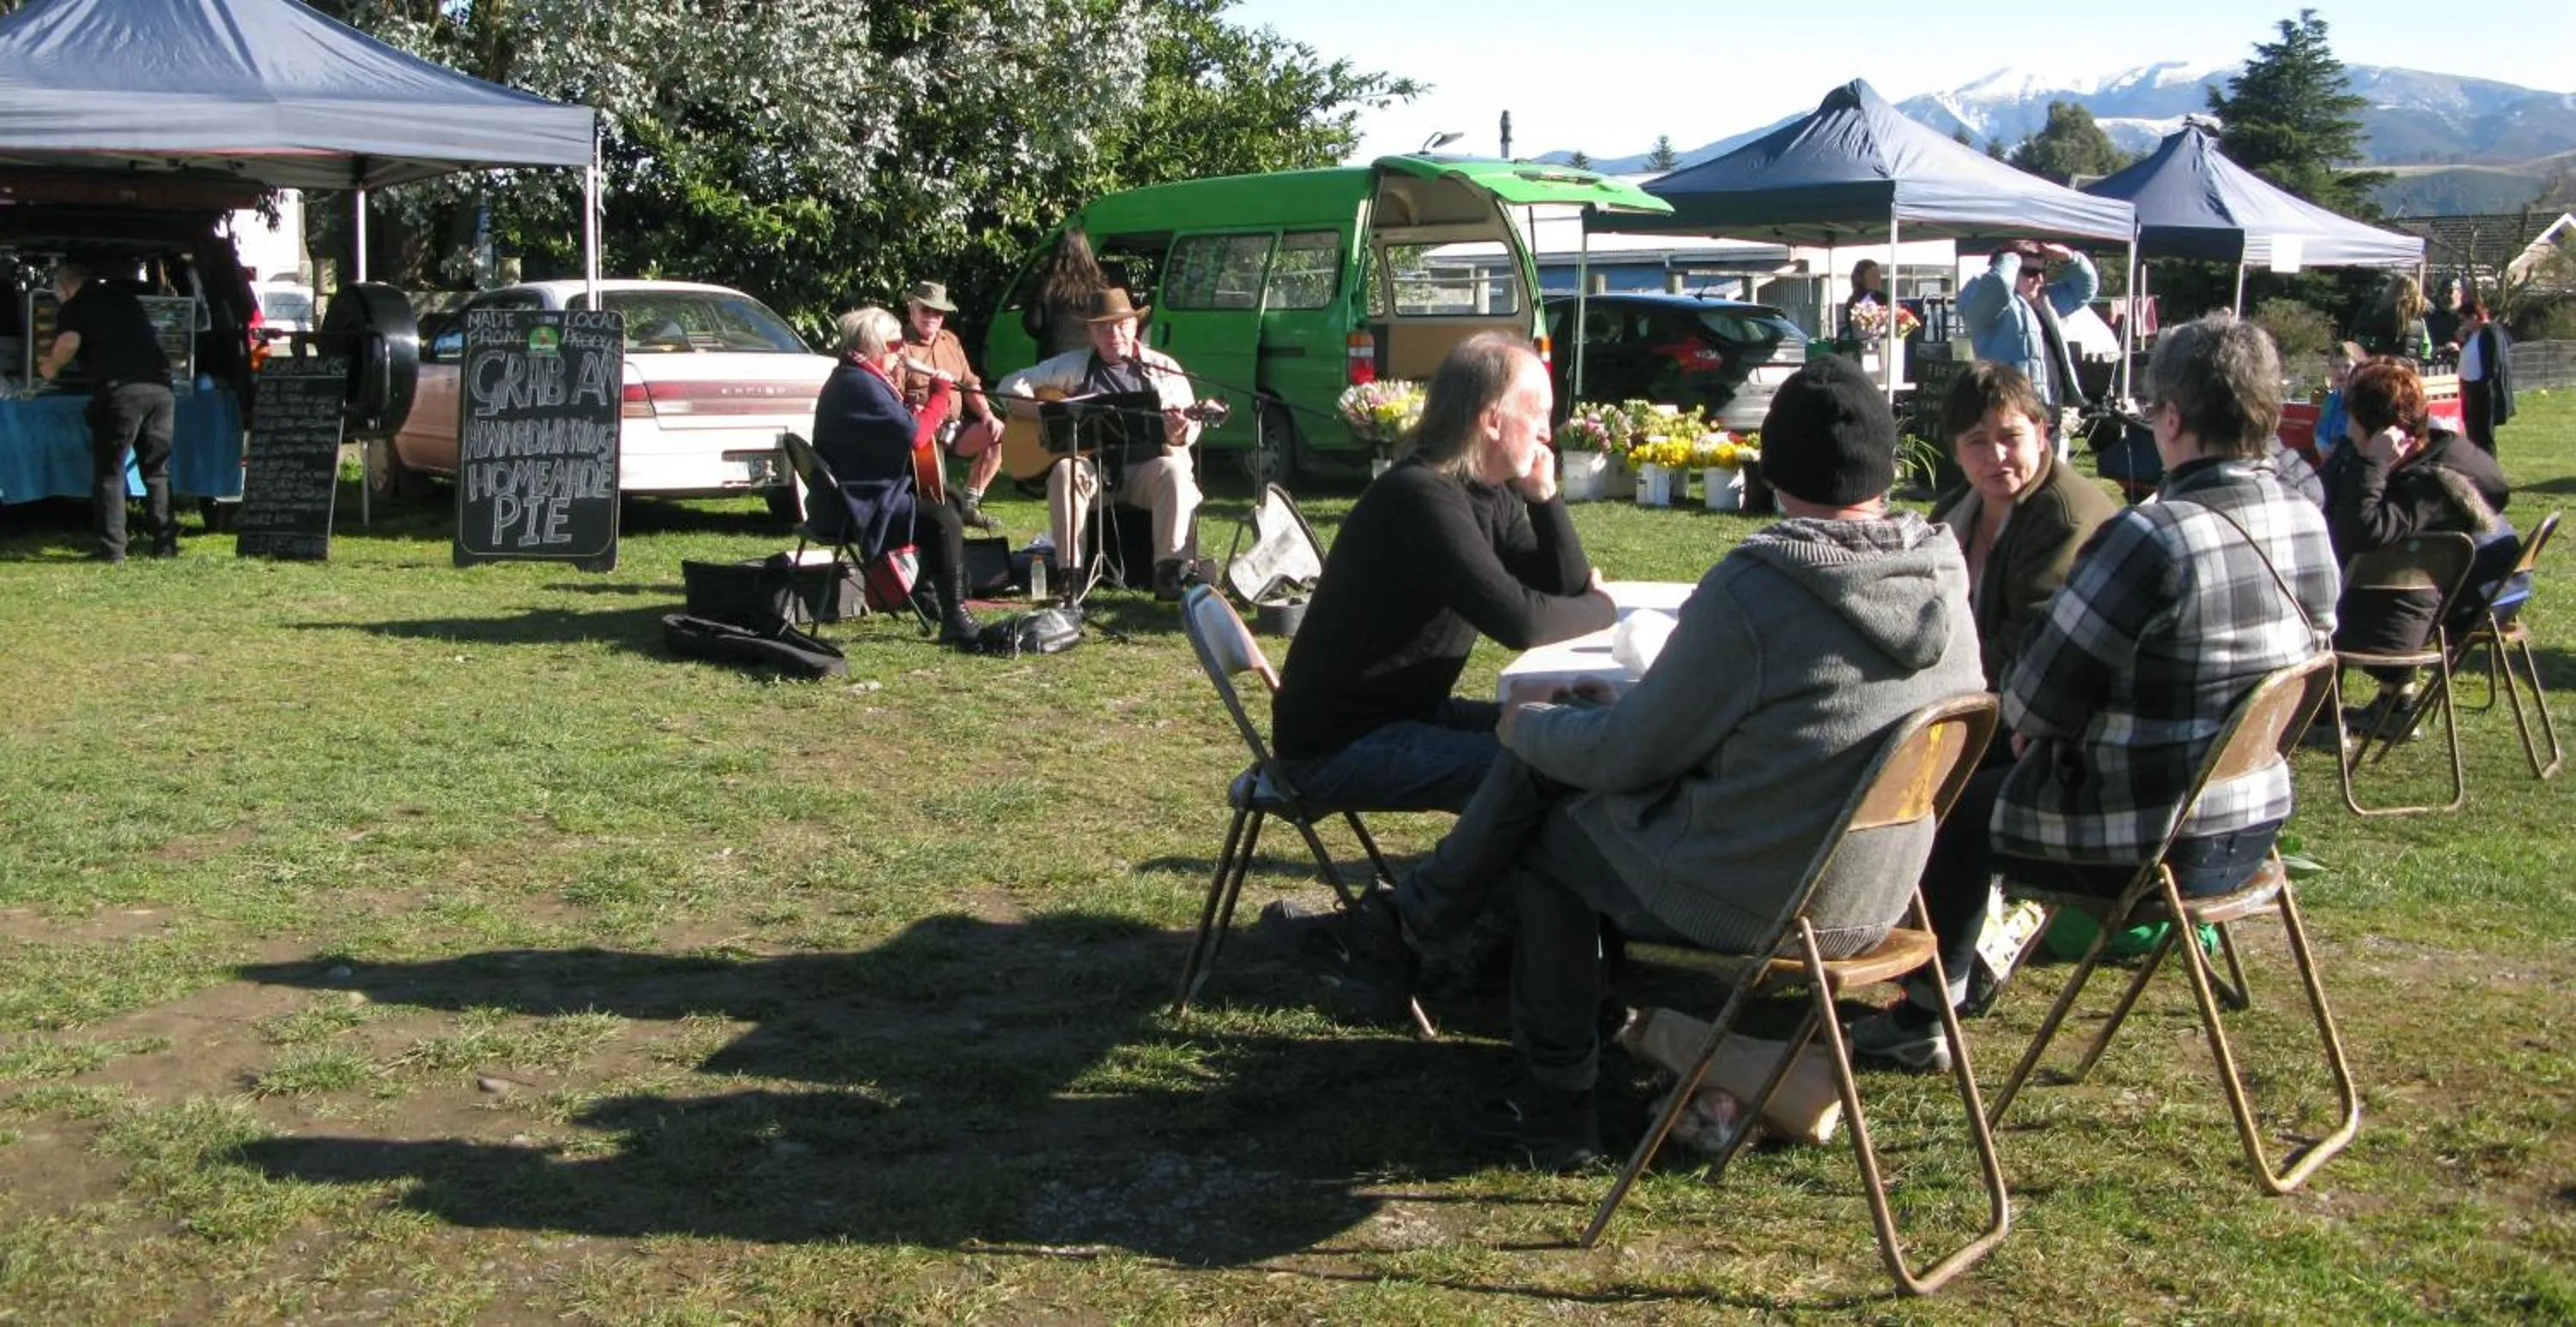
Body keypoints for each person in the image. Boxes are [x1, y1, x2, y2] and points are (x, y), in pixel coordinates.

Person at [1297, 355, 1984, 1169]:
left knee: (1551, 837)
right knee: (1556, 759)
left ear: (1775, 470)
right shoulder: (1943, 572)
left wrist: (1533, 729)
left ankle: (1553, 1102)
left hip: (1753, 893)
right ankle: (1427, 934)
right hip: (1881, 894)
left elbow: (1631, 753)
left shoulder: (1762, 590)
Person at [1848, 312, 2340, 1070]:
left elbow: (2035, 698)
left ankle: (1926, 1011)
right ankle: (1948, 982)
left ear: (2170, 418)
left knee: (1954, 802)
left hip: (2143, 838)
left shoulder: (2154, 536)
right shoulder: (2305, 517)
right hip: (2250, 822)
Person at [1271, 332, 1614, 815]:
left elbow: (1563, 588)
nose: (1547, 431)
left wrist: (1544, 497)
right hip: (1339, 746)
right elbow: (1522, 623)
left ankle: (1489, 865)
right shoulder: (1421, 496)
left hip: (1408, 714)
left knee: (1573, 731)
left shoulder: (1488, 490)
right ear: (1492, 421)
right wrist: (1603, 609)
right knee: (1546, 766)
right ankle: (1457, 871)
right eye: (1538, 413)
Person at [2318, 356, 2512, 730]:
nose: (2348, 431)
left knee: (2312, 590)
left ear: (2379, 431)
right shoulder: (2447, 453)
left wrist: (2372, 465)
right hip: (2446, 607)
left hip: (2399, 623)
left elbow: (2356, 534)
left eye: (2351, 421)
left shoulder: (2433, 482)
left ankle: (2321, 719)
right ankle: (2395, 702)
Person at [994, 288, 1206, 601]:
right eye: (1103, 327)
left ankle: (1168, 574)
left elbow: (1188, 431)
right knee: (1066, 470)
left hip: (1144, 472)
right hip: (1092, 472)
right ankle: (1070, 576)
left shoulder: (1163, 369)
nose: (1113, 334)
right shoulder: (1073, 365)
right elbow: (1009, 386)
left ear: (1135, 326)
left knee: (1173, 471)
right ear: (1091, 332)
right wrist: (1045, 413)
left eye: (1121, 325)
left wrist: (1179, 431)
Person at [1928, 361, 2119, 704]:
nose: (1996, 455)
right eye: (1977, 441)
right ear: (1956, 452)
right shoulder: (1953, 513)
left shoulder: (2064, 518)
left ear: (2041, 435)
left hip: (2041, 707)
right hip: (1973, 692)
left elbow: (2033, 642)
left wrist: (1935, 684)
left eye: (2010, 436)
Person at [810, 306, 979, 642]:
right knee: (943, 519)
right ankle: (956, 618)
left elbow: (892, 428)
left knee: (950, 498)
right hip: (855, 505)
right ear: (871, 346)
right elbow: (916, 436)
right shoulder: (860, 385)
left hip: (853, 492)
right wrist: (940, 396)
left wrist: (909, 412)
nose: (900, 352)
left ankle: (928, 594)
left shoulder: (855, 377)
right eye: (893, 345)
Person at [34, 261, 177, 562]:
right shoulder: (124, 298)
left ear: (65, 287)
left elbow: (69, 342)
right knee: (156, 471)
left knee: (110, 472)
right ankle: (165, 546)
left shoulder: (76, 305)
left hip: (121, 392)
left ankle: (113, 550)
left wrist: (50, 366)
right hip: (161, 388)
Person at [1958, 241, 2097, 457]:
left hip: (2050, 409)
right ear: (2009, 267)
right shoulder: (1983, 296)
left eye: (2042, 272)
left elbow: (2086, 289)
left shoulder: (2045, 300)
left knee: (2050, 474)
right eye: (2031, 272)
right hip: (2011, 410)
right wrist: (2011, 256)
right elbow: (1997, 288)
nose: (2039, 280)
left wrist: (2070, 257)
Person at [896, 280, 1005, 532]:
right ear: (911, 310)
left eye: (938, 312)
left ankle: (970, 506)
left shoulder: (950, 341)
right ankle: (936, 516)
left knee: (996, 434)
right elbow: (895, 395)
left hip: (953, 427)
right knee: (937, 499)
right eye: (926, 310)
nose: (932, 317)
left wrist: (987, 414)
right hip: (920, 432)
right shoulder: (900, 346)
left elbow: (970, 383)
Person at [1018, 226, 1112, 359]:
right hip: (1088, 359)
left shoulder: (1047, 283)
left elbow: (1033, 324)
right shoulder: (1099, 285)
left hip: (1053, 360)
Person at [2457, 294, 2516, 457]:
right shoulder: (2473, 335)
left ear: (2474, 317)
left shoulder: (2490, 332)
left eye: (2464, 320)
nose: (2463, 324)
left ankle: (2489, 468)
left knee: (2484, 437)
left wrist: (2484, 385)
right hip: (2470, 388)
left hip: (2484, 391)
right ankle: (2477, 467)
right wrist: (2460, 342)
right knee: (2473, 436)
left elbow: (2494, 363)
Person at [2313, 341, 2364, 462]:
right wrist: (2323, 448)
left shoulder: (2363, 400)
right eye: (2335, 367)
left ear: (2359, 369)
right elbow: (2321, 431)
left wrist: (2339, 450)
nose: (2340, 371)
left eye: (2347, 366)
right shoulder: (2330, 401)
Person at [1840, 258, 1886, 346]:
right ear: (1861, 279)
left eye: (1879, 275)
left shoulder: (1882, 298)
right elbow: (1863, 332)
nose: (1878, 279)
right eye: (1873, 275)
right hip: (1864, 346)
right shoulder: (1856, 302)